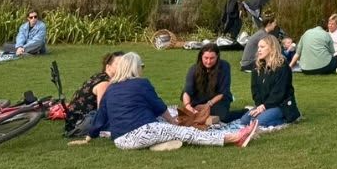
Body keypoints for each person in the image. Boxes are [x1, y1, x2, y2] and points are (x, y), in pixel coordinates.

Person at [78, 52, 257, 150]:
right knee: (186, 132)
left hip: (120, 141)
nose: (142, 69)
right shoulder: (141, 83)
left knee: (164, 126)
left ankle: (160, 143)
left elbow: (101, 115)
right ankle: (233, 138)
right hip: (139, 133)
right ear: (135, 68)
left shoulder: (111, 88)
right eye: (141, 66)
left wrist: (88, 137)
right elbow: (159, 107)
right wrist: (174, 123)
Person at [232, 35, 300, 129]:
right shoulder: (257, 67)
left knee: (258, 122)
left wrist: (264, 107)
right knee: (245, 121)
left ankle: (287, 118)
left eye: (262, 47)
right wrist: (259, 106)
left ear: (272, 48)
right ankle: (266, 115)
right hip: (264, 105)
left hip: (281, 105)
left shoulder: (283, 67)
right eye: (258, 47)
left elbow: (279, 92)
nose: (259, 50)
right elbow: (255, 89)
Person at [65, 51, 122, 136]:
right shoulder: (105, 83)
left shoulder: (98, 76)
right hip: (79, 124)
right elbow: (102, 110)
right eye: (118, 64)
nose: (122, 67)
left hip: (73, 120)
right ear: (108, 67)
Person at [182, 44, 233, 124]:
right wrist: (187, 106)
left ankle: (245, 112)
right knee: (192, 111)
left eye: (212, 58)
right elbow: (187, 91)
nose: (208, 61)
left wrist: (207, 105)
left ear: (217, 57)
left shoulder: (224, 66)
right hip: (200, 97)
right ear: (201, 57)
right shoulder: (194, 69)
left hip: (218, 98)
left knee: (223, 117)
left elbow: (223, 92)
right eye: (206, 58)